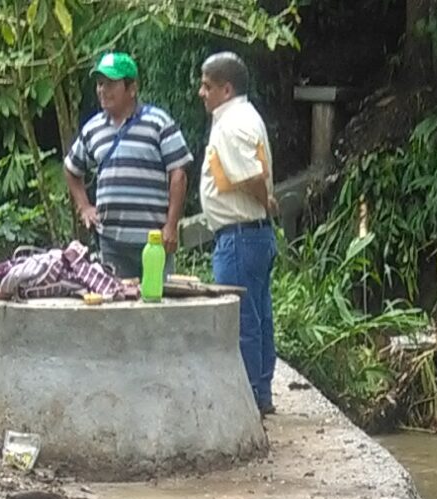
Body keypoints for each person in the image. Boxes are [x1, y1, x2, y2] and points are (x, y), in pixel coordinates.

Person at [196, 52, 279, 417]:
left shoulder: (231, 123)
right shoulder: (246, 117)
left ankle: (247, 401)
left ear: (225, 89)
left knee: (242, 320)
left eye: (207, 85)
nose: (201, 92)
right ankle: (260, 394)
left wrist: (266, 201)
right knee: (258, 316)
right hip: (251, 234)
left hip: (240, 235)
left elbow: (249, 176)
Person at [63, 52, 194, 280]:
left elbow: (179, 173)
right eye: (100, 83)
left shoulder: (158, 122)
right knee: (117, 307)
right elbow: (72, 168)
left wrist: (171, 226)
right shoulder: (93, 129)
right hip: (112, 242)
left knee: (158, 308)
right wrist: (84, 207)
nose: (103, 90)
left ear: (132, 88)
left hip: (155, 241)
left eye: (111, 84)